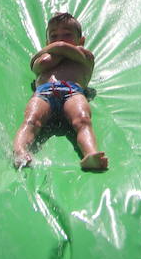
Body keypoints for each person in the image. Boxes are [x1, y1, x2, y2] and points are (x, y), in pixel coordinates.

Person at [12, 12, 108, 171]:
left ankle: (90, 154)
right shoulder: (44, 58)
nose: (60, 39)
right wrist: (56, 52)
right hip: (44, 92)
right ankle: (20, 151)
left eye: (67, 34)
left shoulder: (86, 56)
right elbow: (42, 64)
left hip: (73, 91)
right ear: (47, 41)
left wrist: (54, 49)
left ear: (81, 41)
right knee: (31, 120)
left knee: (83, 120)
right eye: (54, 36)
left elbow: (61, 48)